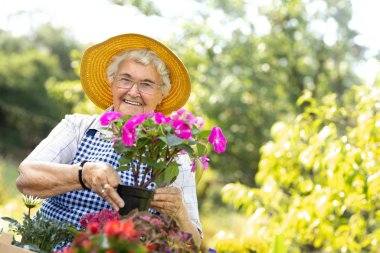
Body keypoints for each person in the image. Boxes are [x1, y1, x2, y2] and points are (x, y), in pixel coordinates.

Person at [16, 33, 202, 249]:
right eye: (125, 79)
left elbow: (194, 246)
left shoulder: (173, 155)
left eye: (147, 84)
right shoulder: (79, 128)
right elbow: (26, 178)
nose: (133, 91)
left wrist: (180, 215)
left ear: (162, 95)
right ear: (112, 83)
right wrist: (82, 174)